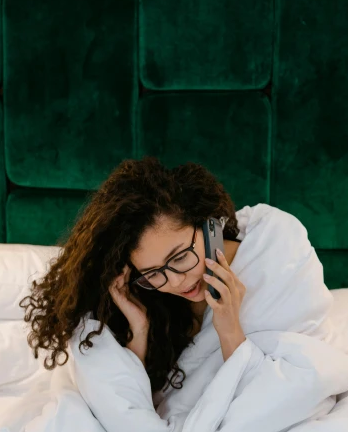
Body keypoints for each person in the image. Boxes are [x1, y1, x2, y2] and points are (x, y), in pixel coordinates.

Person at [20, 155, 246, 406]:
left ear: (208, 225)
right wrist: (139, 329)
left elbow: (263, 398)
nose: (175, 282)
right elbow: (132, 406)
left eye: (180, 257)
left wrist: (230, 330)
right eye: (153, 273)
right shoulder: (155, 302)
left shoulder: (264, 260)